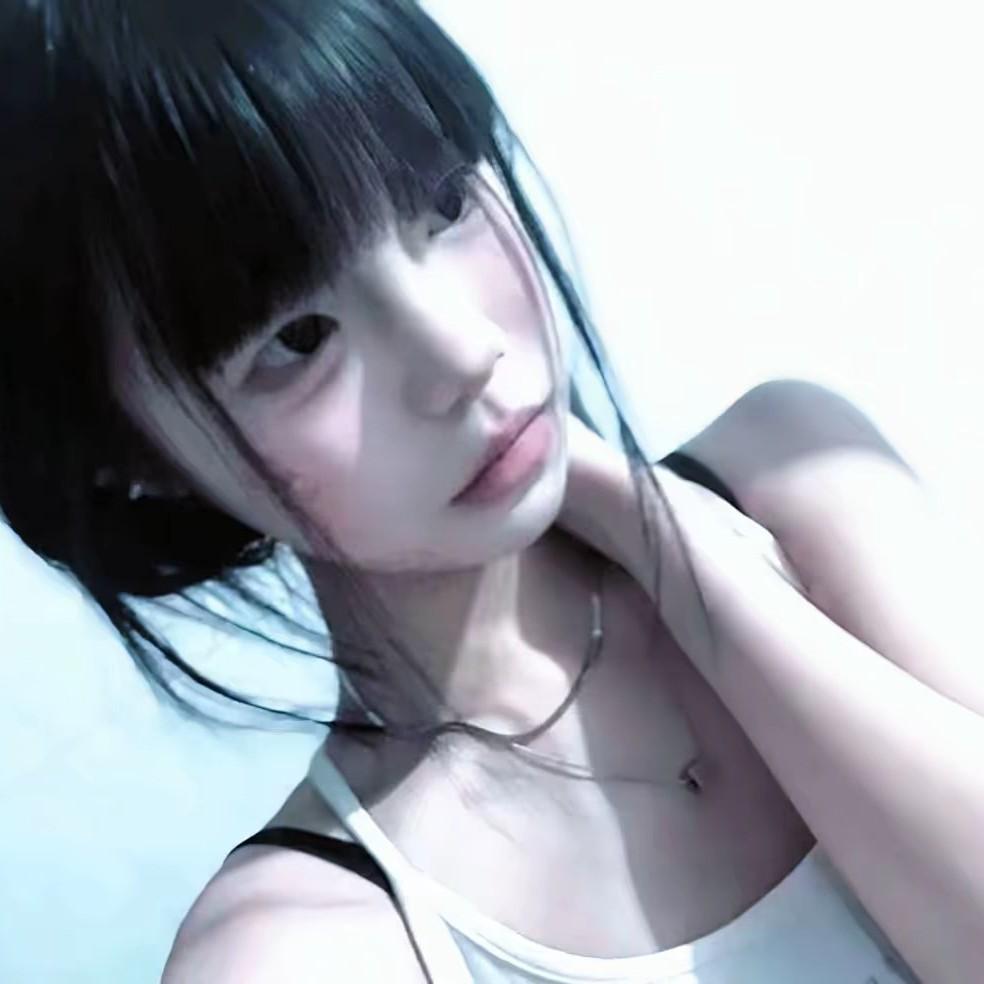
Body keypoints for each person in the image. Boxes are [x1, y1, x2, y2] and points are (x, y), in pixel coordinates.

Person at [1, 2, 969, 981]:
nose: (463, 352)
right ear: (135, 458)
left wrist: (661, 533)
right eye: (299, 339)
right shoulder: (297, 951)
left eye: (446, 201)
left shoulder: (797, 478)